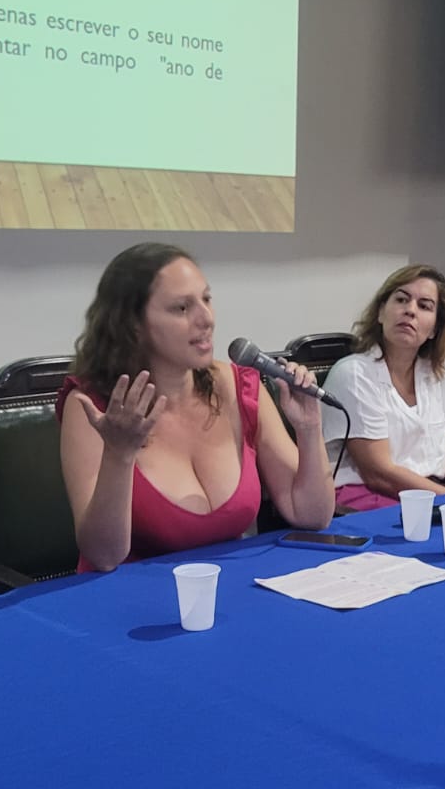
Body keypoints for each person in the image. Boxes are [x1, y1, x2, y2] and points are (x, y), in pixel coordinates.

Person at [57, 242, 334, 572]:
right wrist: (119, 455)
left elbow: (312, 516)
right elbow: (103, 556)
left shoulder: (239, 386)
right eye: (182, 308)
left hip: (225, 587)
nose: (207, 319)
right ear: (133, 324)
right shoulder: (94, 406)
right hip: (131, 595)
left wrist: (308, 427)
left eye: (207, 299)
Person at [321, 264, 445, 510]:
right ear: (381, 313)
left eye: (424, 306)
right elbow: (378, 474)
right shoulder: (354, 374)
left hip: (426, 491)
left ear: (435, 328)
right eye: (401, 300)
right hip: (363, 497)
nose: (410, 310)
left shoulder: (441, 372)